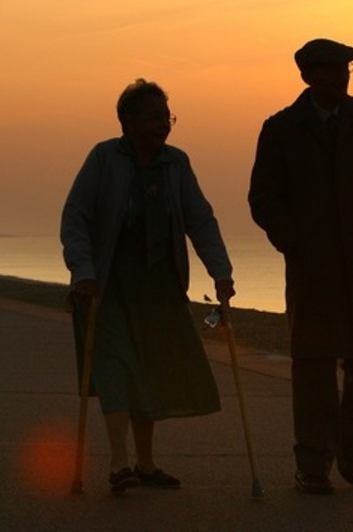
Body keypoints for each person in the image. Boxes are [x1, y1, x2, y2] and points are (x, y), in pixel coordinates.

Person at [248, 38, 353, 495]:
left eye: (344, 70)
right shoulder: (280, 129)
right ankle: (313, 465)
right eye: (328, 71)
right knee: (314, 366)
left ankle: (349, 448)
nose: (338, 78)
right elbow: (264, 197)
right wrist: (293, 242)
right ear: (307, 76)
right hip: (313, 267)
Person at [61, 79, 235, 493]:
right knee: (116, 368)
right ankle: (119, 464)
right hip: (105, 287)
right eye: (155, 117)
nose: (164, 125)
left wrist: (221, 272)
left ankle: (146, 463)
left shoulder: (176, 163)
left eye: (167, 117)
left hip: (159, 287)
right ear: (127, 119)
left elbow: (200, 220)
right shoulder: (104, 158)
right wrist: (83, 270)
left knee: (150, 372)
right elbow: (75, 217)